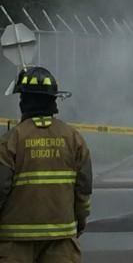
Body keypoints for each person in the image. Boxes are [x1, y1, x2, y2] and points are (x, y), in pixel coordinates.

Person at [0, 66, 92, 262]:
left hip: (15, 243)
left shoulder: (11, 140)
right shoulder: (73, 138)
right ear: (53, 100)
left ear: (24, 101)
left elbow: (0, 188)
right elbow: (84, 189)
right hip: (61, 240)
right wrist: (80, 220)